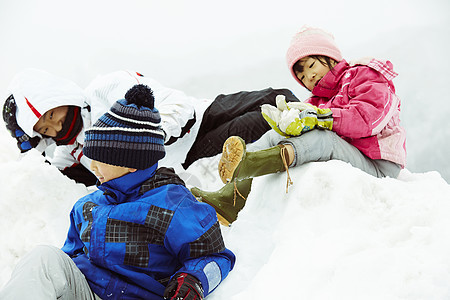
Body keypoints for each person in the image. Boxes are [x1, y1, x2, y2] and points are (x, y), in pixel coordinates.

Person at [0, 84, 235, 300]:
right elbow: (67, 259)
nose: (92, 167)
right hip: (85, 292)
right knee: (44, 258)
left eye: (99, 160)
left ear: (129, 162)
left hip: (135, 295)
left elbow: (215, 256)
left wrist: (194, 281)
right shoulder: (87, 206)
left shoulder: (171, 203)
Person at [191, 26, 407, 226]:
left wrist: (321, 118)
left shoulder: (364, 74)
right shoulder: (317, 101)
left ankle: (248, 165)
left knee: (324, 139)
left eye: (311, 65)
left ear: (329, 57)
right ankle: (232, 193)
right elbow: (306, 122)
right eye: (301, 75)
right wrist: (287, 124)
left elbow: (369, 119)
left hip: (377, 165)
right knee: (273, 135)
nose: (309, 76)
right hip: (351, 153)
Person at [2, 69, 299, 186]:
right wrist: (27, 146)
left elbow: (172, 102)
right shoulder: (67, 156)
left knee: (278, 98)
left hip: (201, 114)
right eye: (45, 127)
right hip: (190, 155)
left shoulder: (104, 90)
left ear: (63, 97)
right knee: (263, 119)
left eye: (53, 113)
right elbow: (43, 186)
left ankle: (329, 116)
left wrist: (153, 134)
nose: (56, 125)